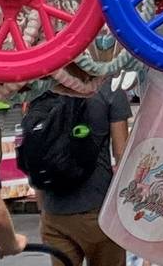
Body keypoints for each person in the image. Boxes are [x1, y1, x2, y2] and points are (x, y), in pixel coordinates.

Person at [20, 77, 130, 266]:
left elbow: (35, 151)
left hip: (54, 213)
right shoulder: (109, 87)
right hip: (98, 212)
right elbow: (122, 156)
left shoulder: (40, 87)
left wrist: (43, 209)